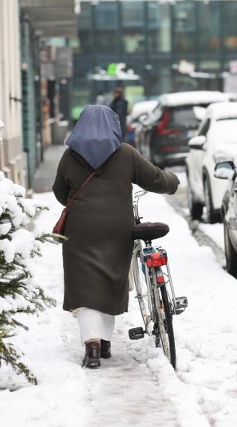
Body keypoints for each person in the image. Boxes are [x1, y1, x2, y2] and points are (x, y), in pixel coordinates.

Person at [52, 105, 180, 369]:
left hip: (80, 231)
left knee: (85, 289)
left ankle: (93, 346)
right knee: (111, 282)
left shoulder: (69, 156)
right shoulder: (125, 154)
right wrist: (173, 181)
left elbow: (59, 192)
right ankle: (106, 342)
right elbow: (155, 179)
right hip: (118, 230)